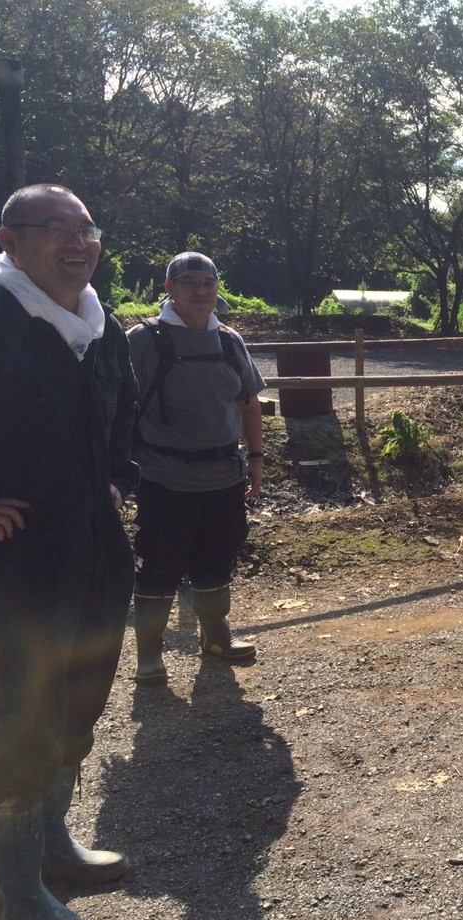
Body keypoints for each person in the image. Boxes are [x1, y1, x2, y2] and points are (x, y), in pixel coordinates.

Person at [0, 184, 138, 920]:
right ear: (9, 241)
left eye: (87, 227)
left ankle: (51, 847)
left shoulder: (105, 331)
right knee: (21, 724)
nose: (78, 242)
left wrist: (116, 480)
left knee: (78, 703)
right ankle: (17, 898)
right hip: (13, 564)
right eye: (55, 229)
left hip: (95, 550)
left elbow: (123, 422)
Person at [126, 252, 266, 684]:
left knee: (218, 557)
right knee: (159, 564)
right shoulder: (142, 340)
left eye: (208, 283)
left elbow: (249, 404)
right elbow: (115, 410)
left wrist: (256, 460)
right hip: (163, 477)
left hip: (224, 476)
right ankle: (149, 655)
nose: (201, 290)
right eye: (190, 282)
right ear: (169, 288)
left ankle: (217, 638)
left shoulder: (229, 340)